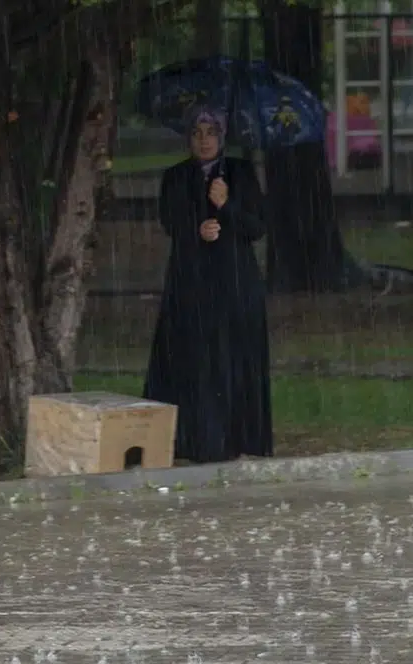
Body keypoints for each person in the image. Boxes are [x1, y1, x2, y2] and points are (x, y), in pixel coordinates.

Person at [143, 106, 273, 463]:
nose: (204, 141)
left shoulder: (240, 173)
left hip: (234, 280)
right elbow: (170, 221)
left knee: (230, 357)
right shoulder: (176, 176)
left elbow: (256, 227)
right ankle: (193, 438)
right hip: (191, 280)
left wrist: (225, 205)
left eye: (211, 133)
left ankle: (233, 437)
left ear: (222, 136)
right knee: (193, 357)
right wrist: (197, 228)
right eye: (197, 133)